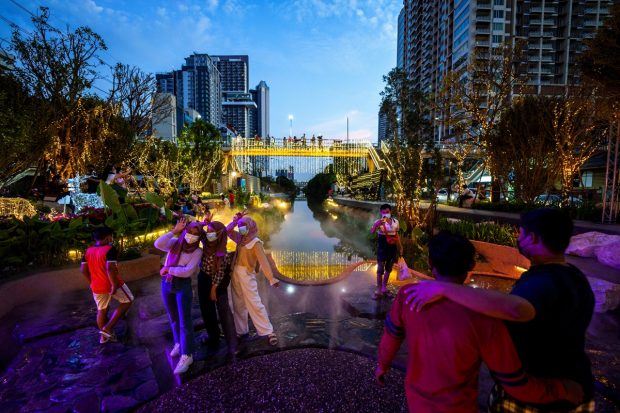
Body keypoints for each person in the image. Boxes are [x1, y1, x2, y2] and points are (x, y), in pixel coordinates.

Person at [403, 208, 595, 412]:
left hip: (538, 397)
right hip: (574, 384)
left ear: (533, 238)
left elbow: (516, 310)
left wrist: (443, 287)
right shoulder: (574, 276)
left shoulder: (543, 283)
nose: (517, 237)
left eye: (521, 233)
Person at [154, 218, 203, 374]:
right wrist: (174, 231)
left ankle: (187, 354)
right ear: (185, 231)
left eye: (196, 234)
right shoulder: (175, 243)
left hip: (183, 286)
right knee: (173, 317)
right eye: (190, 232)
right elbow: (158, 244)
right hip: (167, 284)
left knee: (185, 321)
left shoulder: (197, 251)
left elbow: (188, 271)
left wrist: (169, 269)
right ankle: (178, 343)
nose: (192, 236)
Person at [227, 213, 279, 346]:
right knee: (238, 303)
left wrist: (271, 278)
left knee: (254, 302)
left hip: (246, 273)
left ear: (251, 226)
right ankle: (241, 331)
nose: (241, 228)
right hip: (235, 273)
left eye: (243, 226)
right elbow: (227, 231)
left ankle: (267, 331)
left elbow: (263, 261)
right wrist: (234, 222)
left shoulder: (256, 242)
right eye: (240, 226)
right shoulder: (240, 238)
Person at [81, 227, 134, 344]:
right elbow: (109, 269)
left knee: (102, 310)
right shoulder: (110, 249)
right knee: (128, 301)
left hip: (96, 286)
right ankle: (108, 328)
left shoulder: (88, 251)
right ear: (108, 237)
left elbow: (83, 270)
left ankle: (104, 337)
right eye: (111, 236)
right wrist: (114, 285)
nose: (112, 238)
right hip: (110, 284)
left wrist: (91, 282)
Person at [197, 217, 238, 356]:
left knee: (224, 311)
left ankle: (232, 342)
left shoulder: (223, 253)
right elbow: (197, 230)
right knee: (207, 311)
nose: (209, 234)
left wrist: (213, 289)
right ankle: (213, 337)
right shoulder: (206, 242)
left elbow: (220, 273)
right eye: (208, 231)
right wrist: (204, 223)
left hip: (218, 283)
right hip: (203, 279)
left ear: (219, 234)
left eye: (212, 232)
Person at [370, 204, 402, 299]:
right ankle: (378, 289)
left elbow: (397, 235)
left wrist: (401, 247)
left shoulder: (396, 222)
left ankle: (384, 287)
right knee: (380, 270)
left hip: (392, 248)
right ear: (380, 212)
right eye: (383, 212)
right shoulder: (378, 222)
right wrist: (376, 225)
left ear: (390, 212)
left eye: (387, 212)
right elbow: (372, 232)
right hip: (382, 248)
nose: (385, 214)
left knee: (389, 269)